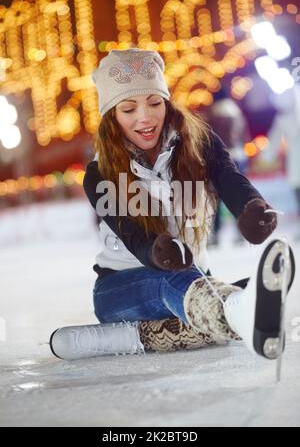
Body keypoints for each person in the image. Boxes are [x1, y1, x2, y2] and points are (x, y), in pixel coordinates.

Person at [50, 49, 295, 361]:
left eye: (154, 103)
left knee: (212, 284)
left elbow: (230, 179)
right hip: (121, 290)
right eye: (129, 108)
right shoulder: (100, 175)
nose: (145, 117)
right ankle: (237, 312)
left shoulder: (199, 142)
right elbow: (131, 232)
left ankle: (236, 309)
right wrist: (155, 251)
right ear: (112, 117)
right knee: (173, 279)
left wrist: (251, 208)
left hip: (193, 278)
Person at [204, 89, 250, 245]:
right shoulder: (237, 113)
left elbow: (208, 140)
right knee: (237, 195)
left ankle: (216, 234)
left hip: (220, 158)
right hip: (238, 156)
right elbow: (246, 137)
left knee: (215, 197)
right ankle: (242, 232)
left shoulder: (213, 115)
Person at [264, 85, 300, 240]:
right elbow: (274, 140)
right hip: (295, 161)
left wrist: (266, 157)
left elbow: (273, 141)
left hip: (295, 162)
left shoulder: (283, 118)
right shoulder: (283, 118)